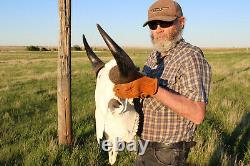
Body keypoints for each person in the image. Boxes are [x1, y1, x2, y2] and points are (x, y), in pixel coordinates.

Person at [113, 0, 212, 165]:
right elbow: (143, 93)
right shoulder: (155, 56)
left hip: (167, 154)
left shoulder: (190, 56)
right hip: (144, 146)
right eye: (153, 24)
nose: (158, 29)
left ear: (181, 22)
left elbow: (197, 114)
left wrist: (153, 89)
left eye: (165, 22)